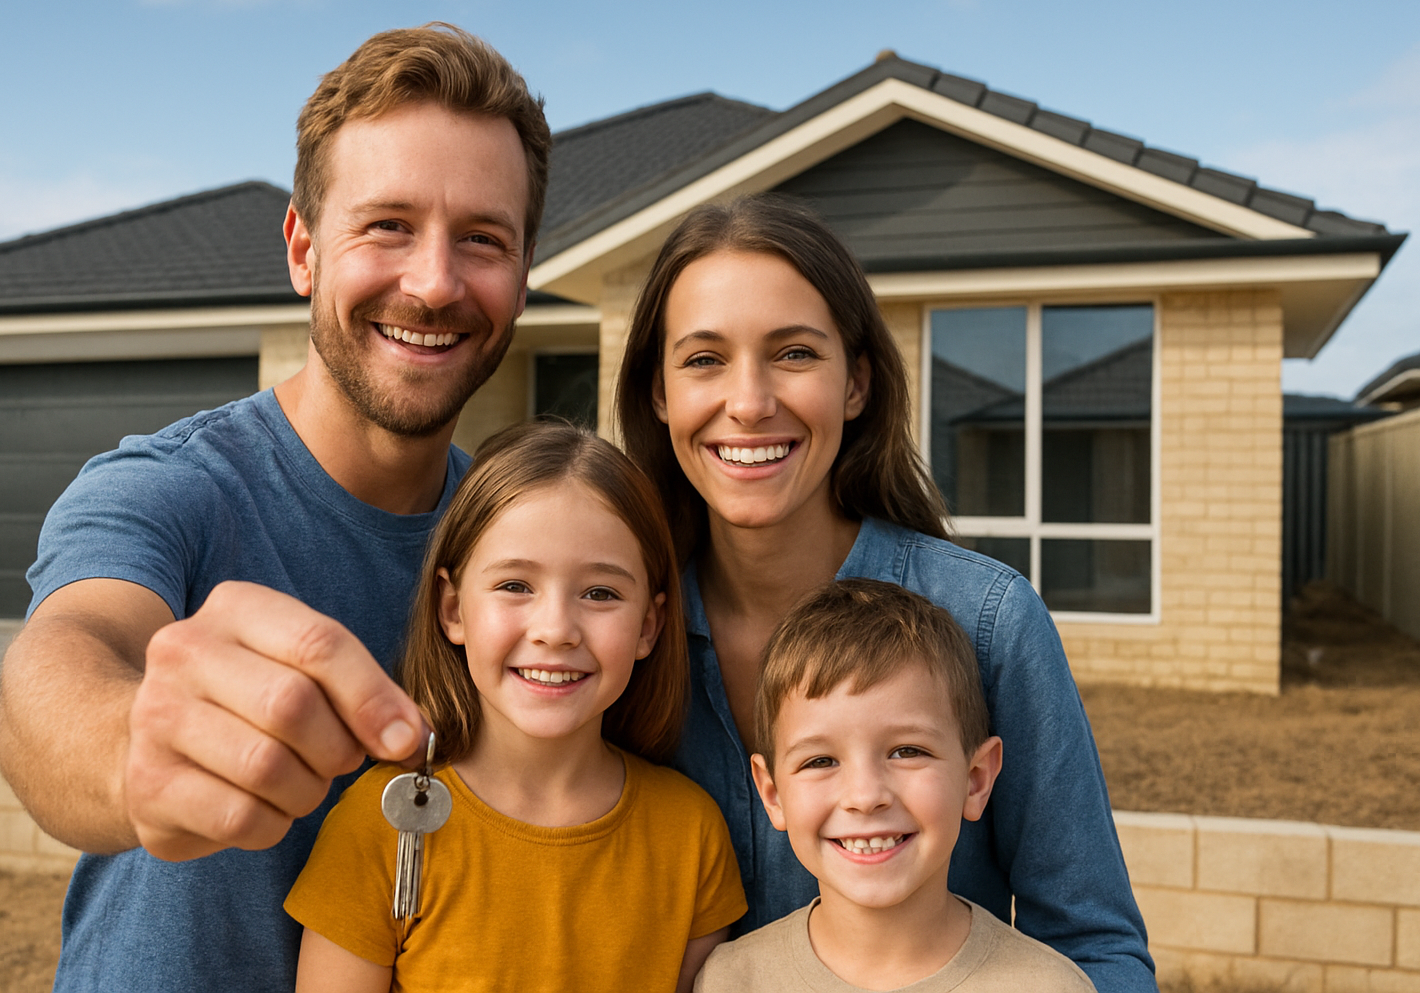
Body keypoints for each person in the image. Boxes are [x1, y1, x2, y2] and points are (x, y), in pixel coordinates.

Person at [0, 25, 552, 993]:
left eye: (482, 240)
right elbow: (56, 675)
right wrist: (135, 747)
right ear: (302, 250)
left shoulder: (518, 541)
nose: (433, 281)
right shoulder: (168, 487)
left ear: (524, 272)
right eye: (386, 226)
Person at [615, 194, 1157, 992]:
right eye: (703, 360)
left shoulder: (988, 623)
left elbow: (1096, 946)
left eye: (794, 353)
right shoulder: (614, 633)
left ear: (858, 382)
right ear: (659, 394)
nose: (749, 401)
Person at [285, 421, 748, 993]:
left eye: (600, 593)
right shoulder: (377, 823)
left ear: (649, 626)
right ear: (452, 609)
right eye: (515, 586)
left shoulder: (692, 834)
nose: (555, 630)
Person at [696, 579, 1095, 993]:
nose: (866, 797)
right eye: (820, 761)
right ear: (773, 794)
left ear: (976, 779)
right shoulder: (730, 980)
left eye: (907, 752)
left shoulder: (1051, 986)